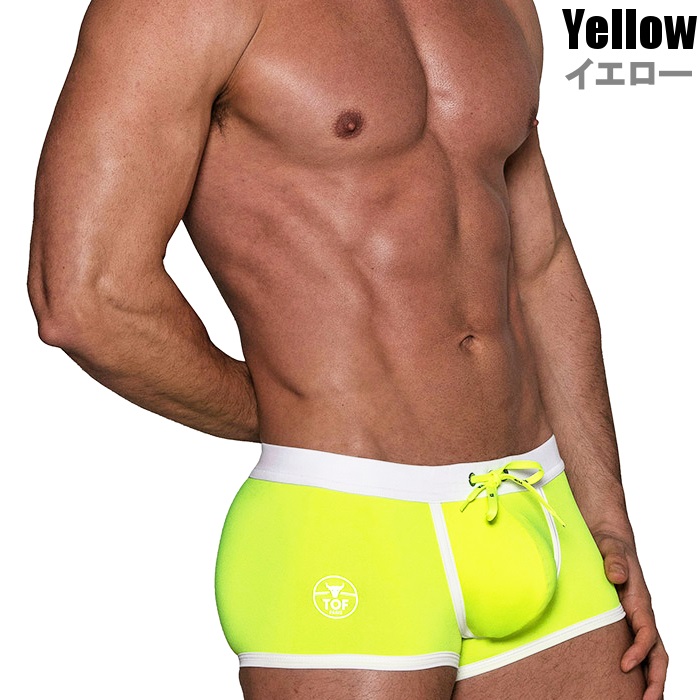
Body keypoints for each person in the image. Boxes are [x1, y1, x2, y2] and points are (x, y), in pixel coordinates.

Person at [28, 0, 667, 697]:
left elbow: (540, 264)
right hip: (347, 513)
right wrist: (293, 411)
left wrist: (606, 515)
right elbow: (88, 299)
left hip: (536, 506)